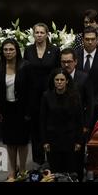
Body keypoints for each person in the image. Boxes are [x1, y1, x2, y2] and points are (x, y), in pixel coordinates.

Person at [23, 22, 60, 165]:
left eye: (41, 32)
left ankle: (52, 158)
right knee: (36, 128)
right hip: (32, 95)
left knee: (50, 125)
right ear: (33, 34)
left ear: (47, 34)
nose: (39, 35)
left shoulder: (55, 50)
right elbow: (25, 71)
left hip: (49, 94)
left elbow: (57, 72)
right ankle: (38, 160)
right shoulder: (28, 50)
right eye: (36, 32)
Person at [0, 38, 31, 180]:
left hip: (22, 109)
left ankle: (22, 169)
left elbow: (31, 90)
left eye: (11, 49)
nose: (8, 52)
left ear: (16, 51)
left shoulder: (25, 66)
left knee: (22, 141)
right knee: (9, 142)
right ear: (2, 51)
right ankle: (12, 170)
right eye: (5, 49)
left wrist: (29, 111)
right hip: (6, 109)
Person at [60, 47, 94, 181]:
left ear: (76, 62)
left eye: (69, 61)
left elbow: (90, 103)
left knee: (77, 160)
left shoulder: (84, 78)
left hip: (78, 126)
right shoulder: (57, 77)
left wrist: (86, 125)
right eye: (63, 62)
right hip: (60, 127)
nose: (66, 65)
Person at [40, 68, 84, 173]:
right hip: (53, 140)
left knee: (70, 170)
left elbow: (79, 119)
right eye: (57, 80)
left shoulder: (75, 96)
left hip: (70, 139)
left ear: (67, 81)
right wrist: (44, 141)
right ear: (53, 81)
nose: (59, 82)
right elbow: (42, 120)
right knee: (55, 170)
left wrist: (79, 141)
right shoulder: (46, 96)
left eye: (62, 80)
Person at [76, 26, 98, 129]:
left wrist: (94, 102)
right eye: (87, 39)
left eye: (93, 39)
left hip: (96, 106)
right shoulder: (75, 56)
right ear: (83, 40)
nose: (90, 42)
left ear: (97, 40)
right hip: (77, 105)